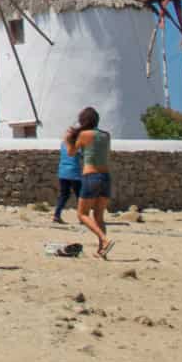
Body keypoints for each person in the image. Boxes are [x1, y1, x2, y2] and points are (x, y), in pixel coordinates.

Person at [74, 106, 114, 260]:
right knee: (99, 216)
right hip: (105, 177)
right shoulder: (106, 135)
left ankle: (104, 240)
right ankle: (101, 250)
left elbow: (71, 151)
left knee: (82, 214)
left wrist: (70, 137)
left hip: (90, 176)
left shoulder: (84, 134)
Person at [54, 124, 84, 224]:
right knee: (80, 196)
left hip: (63, 172)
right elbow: (82, 155)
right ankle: (82, 218)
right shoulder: (77, 144)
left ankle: (57, 215)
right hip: (74, 173)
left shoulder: (63, 144)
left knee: (64, 195)